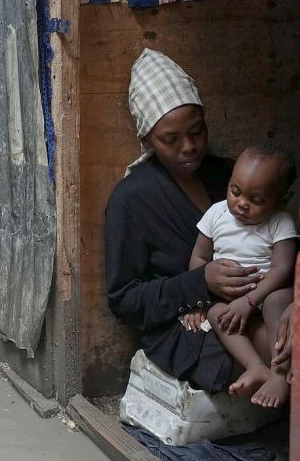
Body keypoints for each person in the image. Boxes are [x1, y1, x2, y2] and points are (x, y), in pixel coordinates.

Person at [105, 49, 264, 395]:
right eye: (171, 140)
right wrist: (198, 284)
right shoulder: (131, 200)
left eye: (197, 131)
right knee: (268, 351)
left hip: (258, 302)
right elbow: (123, 300)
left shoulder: (231, 177)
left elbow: (279, 235)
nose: (189, 147)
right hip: (185, 328)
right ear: (147, 139)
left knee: (291, 336)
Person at [187, 140, 299, 408]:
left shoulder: (280, 222)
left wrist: (251, 301)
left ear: (281, 199)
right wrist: (203, 292)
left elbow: (283, 269)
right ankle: (255, 367)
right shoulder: (217, 213)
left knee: (277, 303)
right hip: (229, 297)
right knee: (216, 313)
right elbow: (199, 258)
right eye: (235, 191)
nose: (241, 204)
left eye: (256, 199)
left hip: (266, 293)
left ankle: (279, 373)